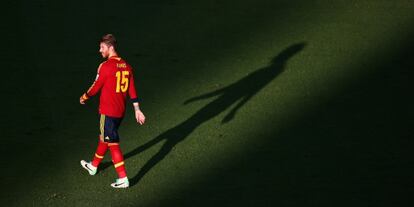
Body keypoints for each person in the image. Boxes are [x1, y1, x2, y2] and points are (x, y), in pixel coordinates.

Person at [79, 34, 146, 188]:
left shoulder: (105, 66)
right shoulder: (127, 66)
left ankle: (123, 178)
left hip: (108, 112)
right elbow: (132, 89)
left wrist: (84, 96)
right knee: (105, 137)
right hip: (120, 113)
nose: (99, 50)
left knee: (113, 143)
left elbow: (96, 86)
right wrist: (137, 109)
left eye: (102, 47)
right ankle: (94, 166)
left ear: (110, 47)